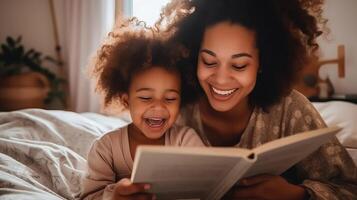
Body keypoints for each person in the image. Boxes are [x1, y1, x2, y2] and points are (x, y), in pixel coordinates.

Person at [156, 0, 357, 199]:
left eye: (239, 65)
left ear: (262, 62)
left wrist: (295, 195)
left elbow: (349, 187)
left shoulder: (290, 109)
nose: (221, 79)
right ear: (193, 55)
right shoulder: (173, 108)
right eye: (209, 61)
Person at [80, 22, 204, 200]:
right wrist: (114, 196)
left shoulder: (186, 140)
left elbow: (204, 188)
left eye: (170, 99)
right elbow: (89, 196)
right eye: (146, 98)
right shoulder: (105, 149)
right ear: (126, 100)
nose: (159, 107)